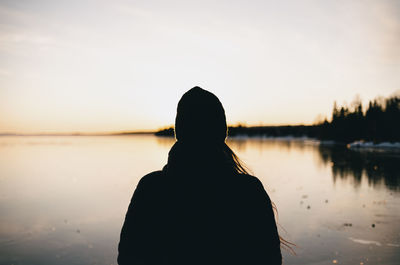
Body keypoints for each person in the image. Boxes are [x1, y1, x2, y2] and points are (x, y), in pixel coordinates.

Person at [118, 87, 282, 265]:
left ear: (179, 131)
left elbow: (129, 257)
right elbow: (269, 259)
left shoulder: (151, 188)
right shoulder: (248, 191)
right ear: (221, 132)